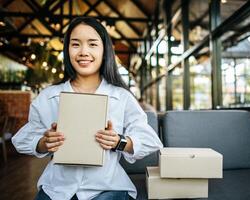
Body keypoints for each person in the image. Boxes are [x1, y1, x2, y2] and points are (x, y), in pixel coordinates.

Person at [12, 17, 163, 200]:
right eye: (75, 44)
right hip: (57, 189)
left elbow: (150, 141)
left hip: (108, 188)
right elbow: (21, 139)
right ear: (67, 51)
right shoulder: (49, 96)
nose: (84, 52)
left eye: (92, 44)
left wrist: (118, 141)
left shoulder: (121, 97)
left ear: (105, 51)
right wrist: (44, 143)